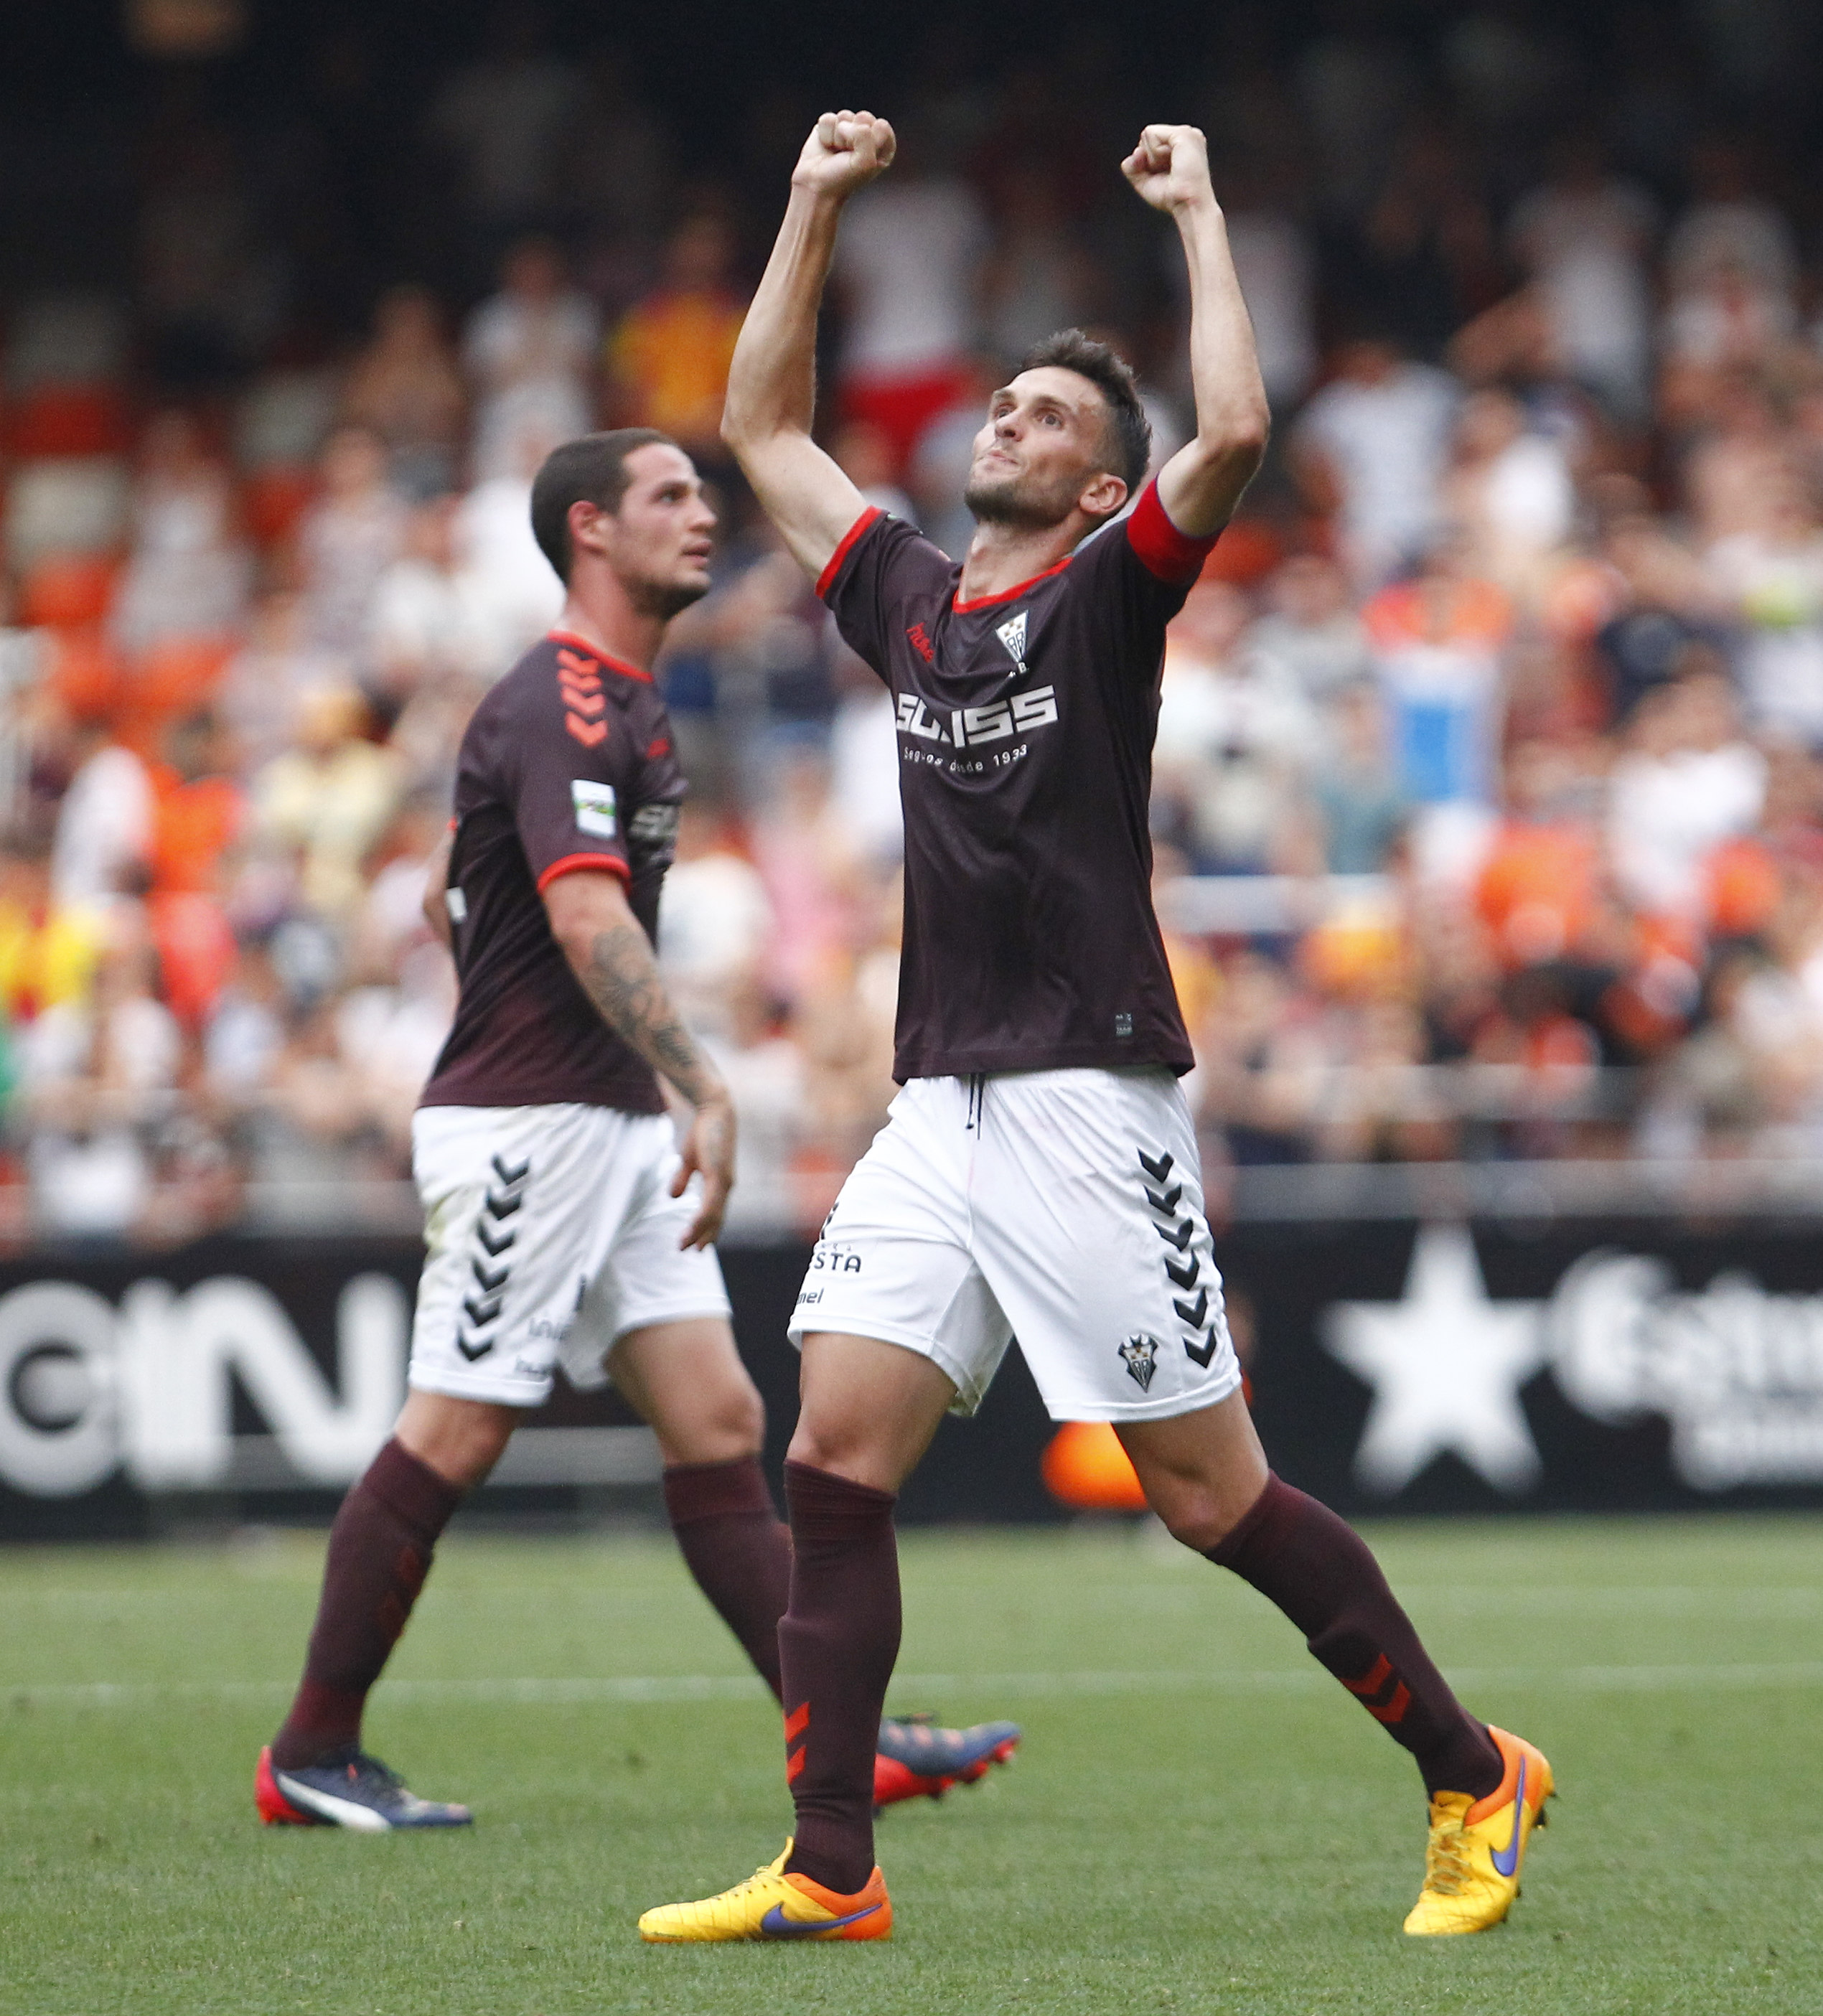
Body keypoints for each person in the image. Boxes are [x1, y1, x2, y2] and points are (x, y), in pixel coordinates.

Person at [640, 111, 1553, 1946]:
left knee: (1212, 1499)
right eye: (1007, 403)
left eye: (1050, 420)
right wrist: (811, 202)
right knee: (831, 1454)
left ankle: (1474, 1772)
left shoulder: (1108, 594)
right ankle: (833, 1864)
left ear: (1090, 492)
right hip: (941, 1107)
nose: (1010, 420)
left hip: (1087, 1101)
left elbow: (1230, 433)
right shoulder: (910, 599)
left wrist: (1204, 207)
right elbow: (756, 431)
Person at [254, 427, 1018, 1832]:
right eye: (670, 494)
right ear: (588, 529)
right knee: (461, 1423)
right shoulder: (562, 702)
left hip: (599, 1121)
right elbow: (582, 909)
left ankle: (846, 1738)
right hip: (529, 1122)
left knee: (718, 1420)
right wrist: (703, 1080)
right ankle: (310, 1748)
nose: (702, 513)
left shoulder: (623, 703)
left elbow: (447, 893)